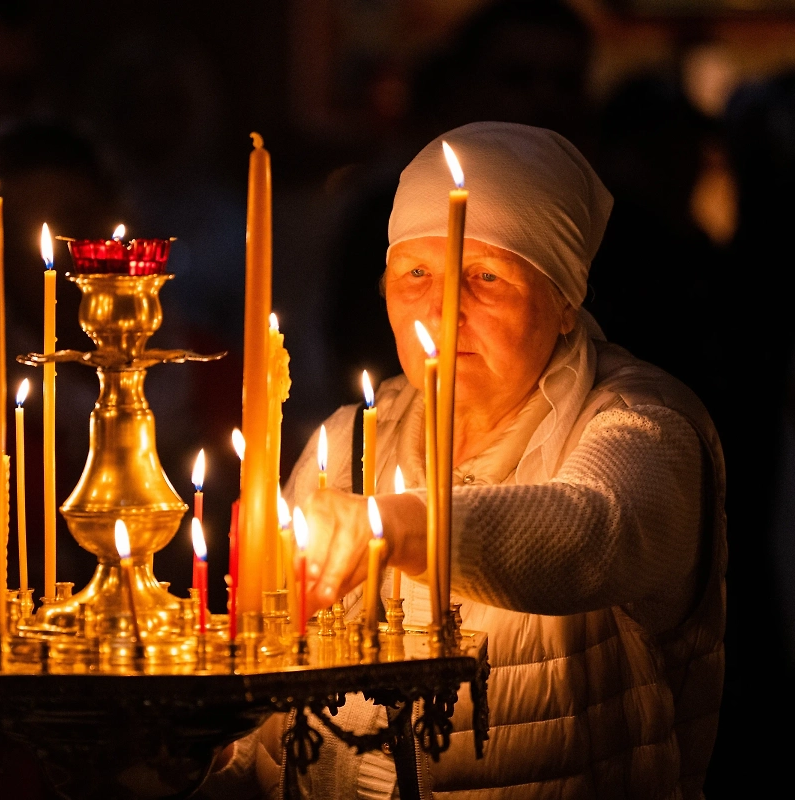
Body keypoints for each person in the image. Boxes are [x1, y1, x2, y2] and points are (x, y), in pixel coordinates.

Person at [199, 122, 726, 798]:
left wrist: (399, 527)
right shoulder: (349, 444)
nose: (444, 311)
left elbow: (592, 534)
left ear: (565, 302)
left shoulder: (643, 423)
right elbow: (262, 727)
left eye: (486, 277)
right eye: (416, 274)